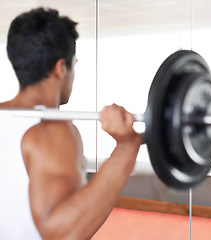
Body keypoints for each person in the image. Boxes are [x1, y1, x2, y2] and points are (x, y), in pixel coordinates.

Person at [0, 7, 142, 239]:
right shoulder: (51, 129)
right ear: (61, 68)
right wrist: (126, 149)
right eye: (73, 64)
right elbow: (61, 232)